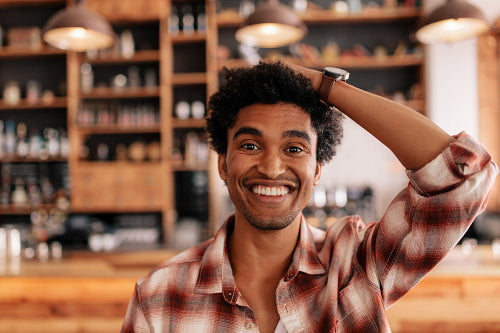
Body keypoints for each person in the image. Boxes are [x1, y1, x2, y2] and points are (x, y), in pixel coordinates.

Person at [121, 61, 497, 333]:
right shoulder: (159, 296)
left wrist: (325, 86)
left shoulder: (356, 266)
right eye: (251, 145)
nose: (271, 168)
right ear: (223, 164)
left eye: (295, 148)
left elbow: (464, 173)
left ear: (318, 170)